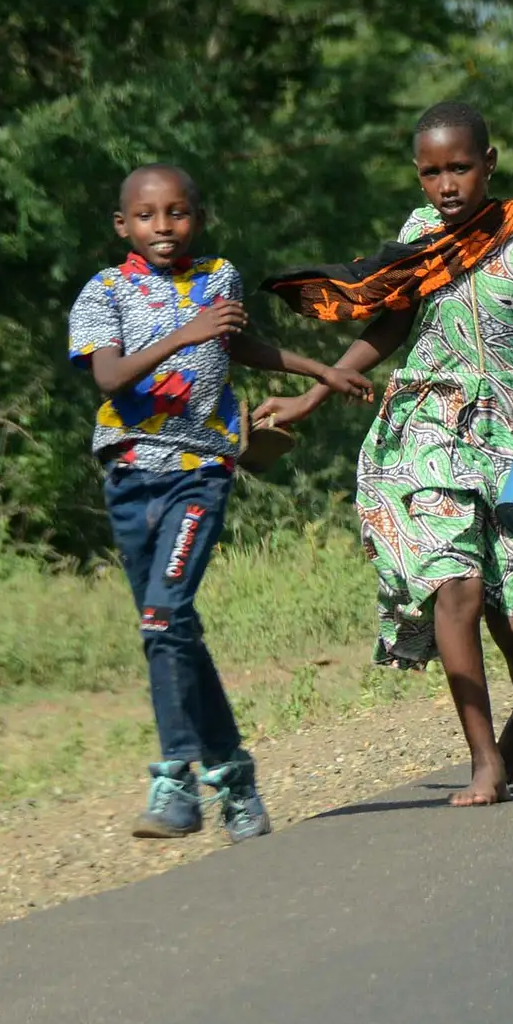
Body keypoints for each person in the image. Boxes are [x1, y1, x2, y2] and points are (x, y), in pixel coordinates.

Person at [261, 102, 513, 806]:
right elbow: (394, 319)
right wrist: (316, 392)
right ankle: (484, 757)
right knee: (455, 589)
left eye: (460, 167)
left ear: (488, 164)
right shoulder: (420, 238)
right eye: (432, 172)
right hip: (430, 425)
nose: (446, 185)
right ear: (418, 176)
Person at [67, 164, 372, 841]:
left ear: (196, 219)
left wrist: (320, 369)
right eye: (147, 216)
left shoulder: (221, 277)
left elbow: (242, 346)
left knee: (164, 613)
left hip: (200, 469)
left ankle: (175, 780)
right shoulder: (105, 291)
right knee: (165, 626)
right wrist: (184, 335)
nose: (163, 227)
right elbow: (110, 376)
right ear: (124, 225)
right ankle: (233, 776)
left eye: (177, 213)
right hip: (128, 471)